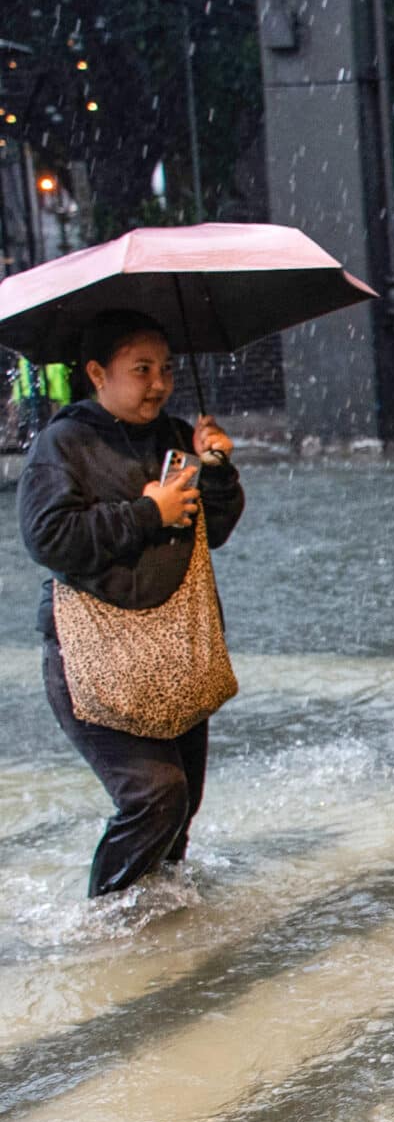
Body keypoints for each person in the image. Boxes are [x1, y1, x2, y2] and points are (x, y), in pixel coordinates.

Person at [17, 309, 243, 896]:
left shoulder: (177, 437)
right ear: (98, 373)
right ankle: (105, 924)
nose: (159, 383)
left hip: (173, 648)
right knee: (154, 796)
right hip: (92, 656)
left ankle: (164, 928)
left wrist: (217, 470)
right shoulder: (64, 442)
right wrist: (147, 513)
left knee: (180, 809)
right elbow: (48, 538)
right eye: (141, 369)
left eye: (166, 369)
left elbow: (213, 532)